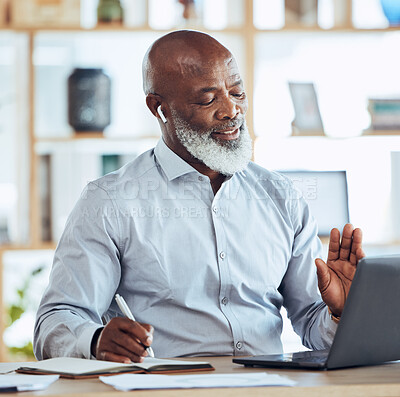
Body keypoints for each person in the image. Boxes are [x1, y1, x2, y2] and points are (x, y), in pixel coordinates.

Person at [34, 30, 364, 363]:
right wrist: (94, 340)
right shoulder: (109, 202)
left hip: (267, 388)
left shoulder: (281, 196)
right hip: (167, 388)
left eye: (237, 92)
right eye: (208, 99)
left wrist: (340, 314)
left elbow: (311, 322)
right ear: (159, 108)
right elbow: (55, 321)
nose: (231, 110)